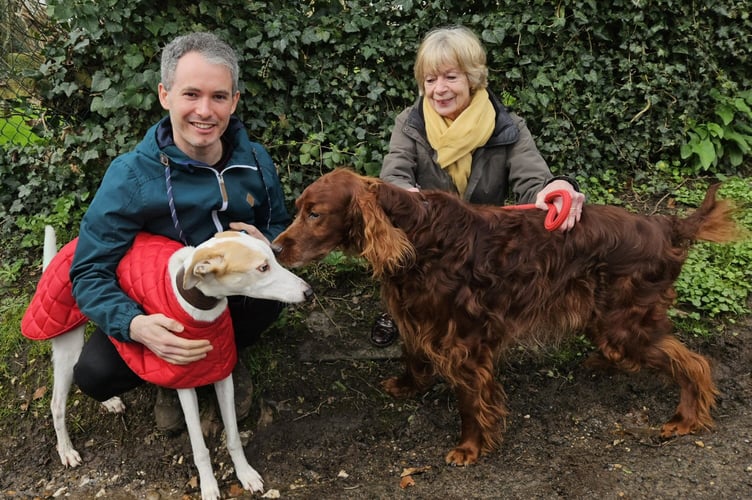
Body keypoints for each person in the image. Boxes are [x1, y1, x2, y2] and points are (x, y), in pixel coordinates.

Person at [69, 32, 291, 432]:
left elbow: (278, 228)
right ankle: (168, 373)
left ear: (235, 101)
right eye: (191, 94)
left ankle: (227, 357)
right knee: (96, 374)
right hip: (158, 306)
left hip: (231, 296)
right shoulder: (130, 176)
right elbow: (88, 272)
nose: (205, 111)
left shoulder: (256, 161)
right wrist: (136, 325)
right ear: (164, 95)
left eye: (219, 97)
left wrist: (270, 246)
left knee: (270, 297)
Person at [372, 25, 586, 347]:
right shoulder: (409, 123)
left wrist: (558, 187)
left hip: (481, 243)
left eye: (450, 77)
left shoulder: (507, 127)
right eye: (430, 80)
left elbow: (535, 182)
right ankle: (397, 311)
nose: (439, 90)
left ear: (472, 78)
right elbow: (395, 174)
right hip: (427, 241)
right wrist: (406, 197)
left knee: (474, 328)